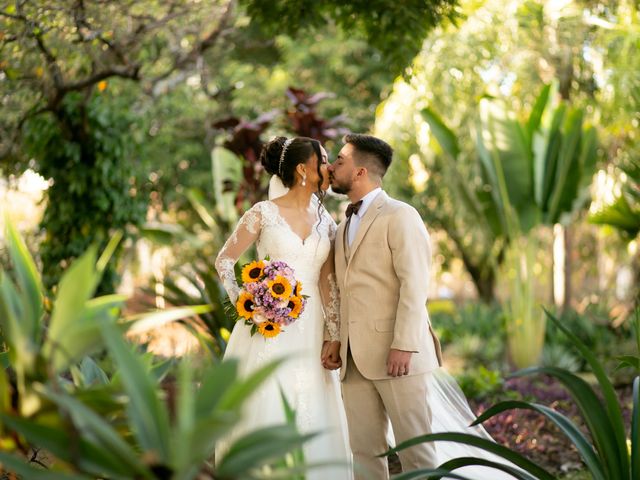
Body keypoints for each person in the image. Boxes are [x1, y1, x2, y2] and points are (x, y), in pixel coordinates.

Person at [324, 133, 517, 480]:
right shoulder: (341, 227)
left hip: (398, 355)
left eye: (340, 159)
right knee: (364, 453)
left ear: (360, 172)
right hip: (353, 360)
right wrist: (336, 339)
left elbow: (414, 286)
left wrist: (404, 344)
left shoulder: (401, 215)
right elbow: (340, 291)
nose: (331, 166)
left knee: (417, 451)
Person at [214, 136, 352, 479]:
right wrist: (249, 305)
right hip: (269, 330)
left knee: (315, 408)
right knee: (269, 399)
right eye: (322, 160)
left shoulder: (326, 220)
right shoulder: (263, 213)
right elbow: (224, 261)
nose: (329, 166)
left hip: (313, 328)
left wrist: (333, 335)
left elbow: (327, 281)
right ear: (303, 169)